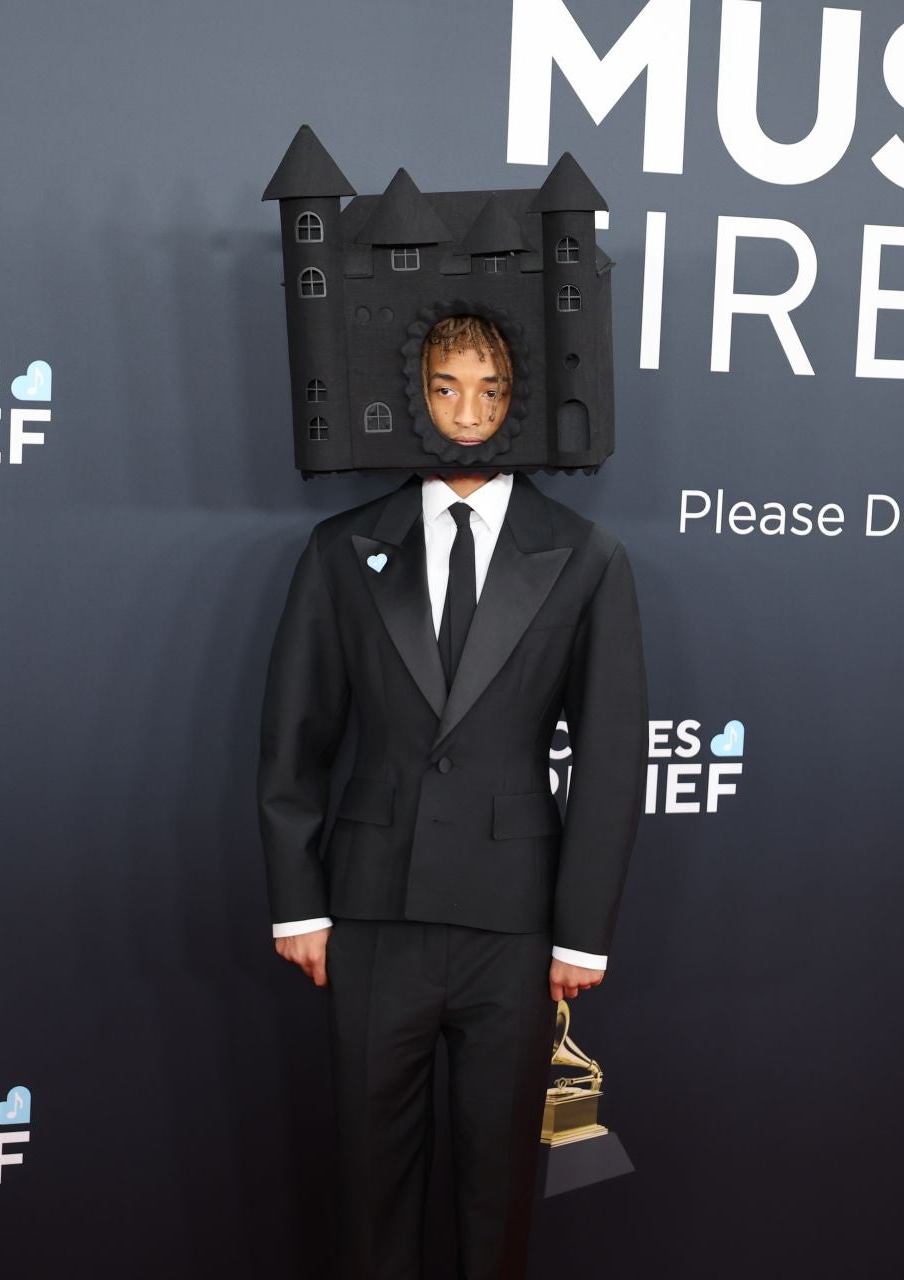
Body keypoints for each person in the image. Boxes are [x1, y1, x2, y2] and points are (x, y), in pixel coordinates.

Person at [259, 314, 647, 1279]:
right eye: (445, 387)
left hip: (512, 924)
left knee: (497, 1175)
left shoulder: (586, 556)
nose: (468, 412)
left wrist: (580, 931)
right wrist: (299, 903)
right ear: (410, 395)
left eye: (490, 389)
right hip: (370, 911)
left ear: (523, 401)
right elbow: (295, 739)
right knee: (369, 1171)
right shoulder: (342, 548)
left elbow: (611, 755)